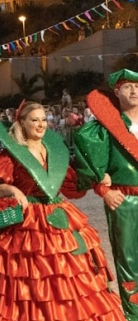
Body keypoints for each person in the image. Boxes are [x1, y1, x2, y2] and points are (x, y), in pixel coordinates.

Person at [0, 101, 124, 320]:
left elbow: (70, 184)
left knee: (68, 272)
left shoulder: (54, 151)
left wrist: (97, 180)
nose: (41, 125)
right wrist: (11, 189)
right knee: (26, 276)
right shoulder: (12, 153)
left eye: (43, 120)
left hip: (58, 214)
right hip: (26, 221)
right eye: (34, 120)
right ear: (22, 123)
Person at [73, 69, 138, 319]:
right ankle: (134, 315)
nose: (134, 91)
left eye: (137, 86)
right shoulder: (104, 130)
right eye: (127, 86)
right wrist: (104, 190)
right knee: (129, 260)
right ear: (116, 91)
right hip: (125, 200)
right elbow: (91, 165)